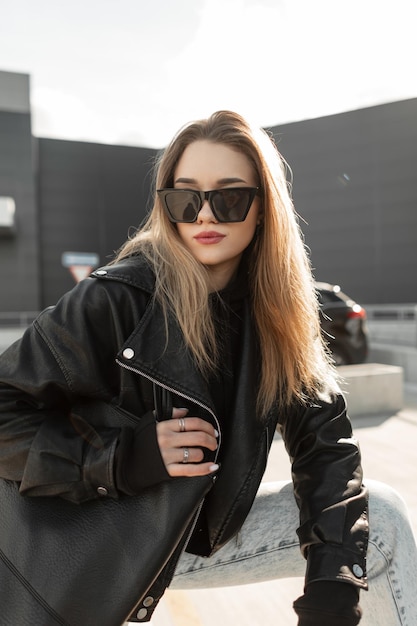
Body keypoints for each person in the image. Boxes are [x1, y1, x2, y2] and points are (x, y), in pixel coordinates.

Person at [0, 110, 416, 625]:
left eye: (230, 196)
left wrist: (331, 593)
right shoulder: (116, 300)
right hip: (105, 542)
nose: (204, 215)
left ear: (264, 207)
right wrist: (120, 459)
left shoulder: (282, 312)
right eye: (185, 197)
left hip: (202, 535)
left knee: (385, 520)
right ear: (166, 205)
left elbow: (325, 448)